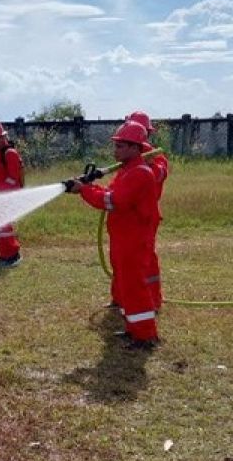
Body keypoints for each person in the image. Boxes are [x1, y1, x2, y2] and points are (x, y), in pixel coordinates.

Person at [66, 121, 160, 349]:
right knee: (126, 286)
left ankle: (145, 335)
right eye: (116, 145)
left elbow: (113, 200)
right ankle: (133, 329)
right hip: (123, 237)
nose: (115, 151)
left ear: (136, 148)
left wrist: (84, 191)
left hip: (133, 239)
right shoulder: (128, 171)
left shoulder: (140, 173)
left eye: (120, 146)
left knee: (135, 287)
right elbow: (110, 192)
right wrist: (87, 186)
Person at [127, 111, 169, 309]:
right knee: (123, 257)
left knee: (146, 259)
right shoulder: (128, 156)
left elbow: (158, 175)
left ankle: (153, 300)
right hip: (126, 215)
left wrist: (146, 163)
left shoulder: (155, 156)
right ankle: (120, 298)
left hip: (145, 216)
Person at [0, 122, 23, 267]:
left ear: (3, 137)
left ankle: (13, 254)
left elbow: (13, 178)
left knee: (6, 226)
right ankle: (3, 254)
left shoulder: (10, 153)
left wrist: (4, 193)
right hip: (0, 195)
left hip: (9, 196)